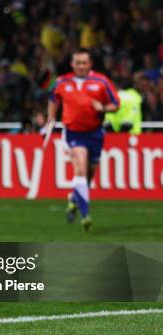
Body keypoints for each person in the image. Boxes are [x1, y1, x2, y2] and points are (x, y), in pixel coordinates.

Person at [46, 48, 119, 231]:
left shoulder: (101, 81)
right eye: (77, 63)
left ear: (90, 64)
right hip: (73, 133)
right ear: (72, 64)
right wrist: (51, 118)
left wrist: (102, 107)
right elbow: (53, 98)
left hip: (94, 134)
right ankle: (86, 216)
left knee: (88, 175)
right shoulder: (63, 82)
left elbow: (115, 104)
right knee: (79, 168)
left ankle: (73, 198)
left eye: (84, 62)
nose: (80, 66)